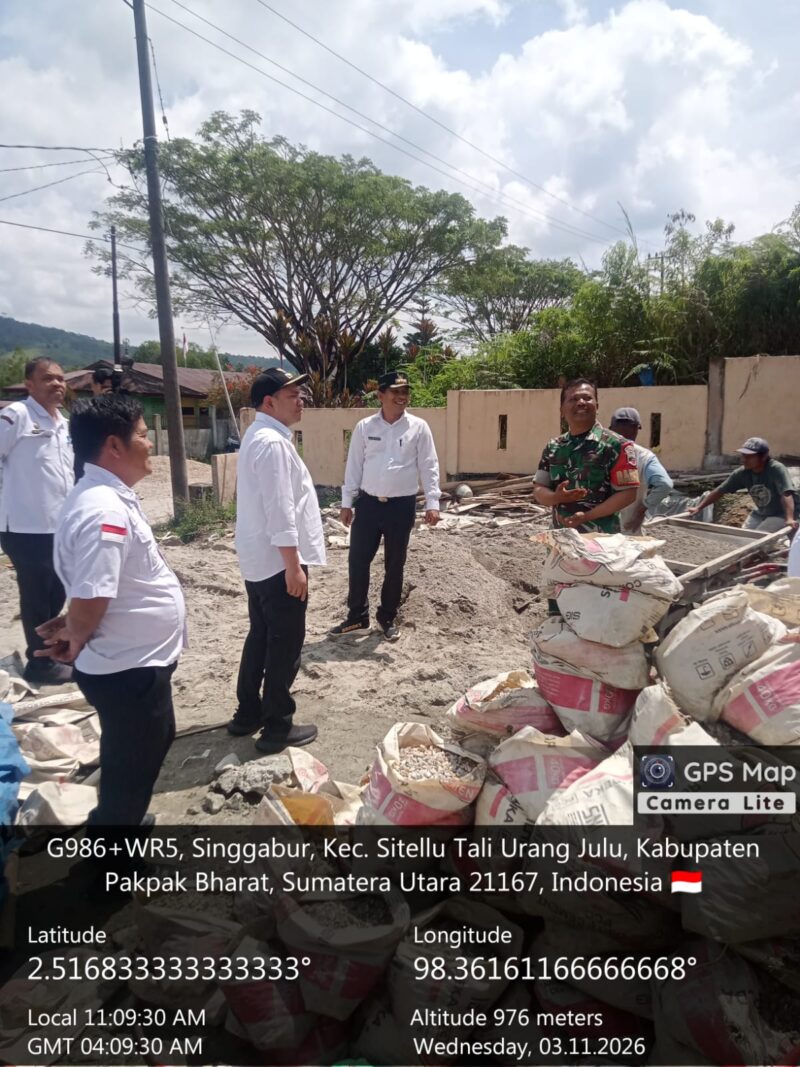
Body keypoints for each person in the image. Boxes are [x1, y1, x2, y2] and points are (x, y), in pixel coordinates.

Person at [36, 394, 185, 827]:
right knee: (131, 766)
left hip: (131, 662)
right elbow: (94, 590)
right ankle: (112, 854)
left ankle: (122, 823)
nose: (150, 443)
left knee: (144, 745)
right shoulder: (105, 511)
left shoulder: (102, 497)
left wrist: (75, 623)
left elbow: (95, 583)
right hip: (128, 667)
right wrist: (78, 629)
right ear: (114, 446)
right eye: (143, 435)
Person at [229, 368, 325, 751]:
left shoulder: (258, 436)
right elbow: (280, 509)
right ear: (269, 402)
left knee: (260, 636)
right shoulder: (272, 444)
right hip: (277, 562)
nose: (301, 401)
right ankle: (276, 727)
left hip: (259, 561)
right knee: (285, 644)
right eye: (292, 396)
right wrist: (293, 566)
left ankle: (247, 713)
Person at [329, 370, 441, 642]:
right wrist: (347, 502)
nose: (402, 397)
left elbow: (429, 465)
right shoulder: (365, 427)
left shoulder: (418, 427)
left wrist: (433, 502)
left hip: (401, 506)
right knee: (358, 560)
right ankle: (357, 617)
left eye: (405, 392)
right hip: (368, 504)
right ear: (381, 395)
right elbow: (354, 466)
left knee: (395, 563)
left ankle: (387, 616)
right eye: (395, 392)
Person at [0, 356, 74, 684]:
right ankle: (40, 664)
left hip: (59, 527)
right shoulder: (17, 415)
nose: (57, 384)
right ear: (29, 385)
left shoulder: (64, 424)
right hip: (25, 527)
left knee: (57, 593)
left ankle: (51, 653)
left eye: (61, 378)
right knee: (36, 595)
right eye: (48, 378)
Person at [533, 378, 640, 533]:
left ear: (597, 406)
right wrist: (556, 497)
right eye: (573, 399)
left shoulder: (618, 445)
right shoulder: (554, 446)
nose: (581, 402)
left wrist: (587, 516)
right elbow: (539, 488)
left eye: (587, 398)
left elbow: (628, 493)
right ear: (562, 410)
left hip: (601, 540)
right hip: (560, 537)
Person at [688, 437, 798, 533]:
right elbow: (720, 491)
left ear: (764, 456)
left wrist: (789, 518)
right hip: (761, 512)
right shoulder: (743, 473)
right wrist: (698, 507)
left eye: (749, 457)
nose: (744, 460)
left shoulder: (776, 469)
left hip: (781, 513)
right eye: (743, 456)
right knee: (743, 535)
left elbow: (786, 493)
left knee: (759, 538)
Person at [609, 406, 674, 534]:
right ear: (636, 430)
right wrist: (642, 509)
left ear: (611, 429)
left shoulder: (597, 452)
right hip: (629, 529)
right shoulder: (645, 457)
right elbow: (665, 484)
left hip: (599, 532)